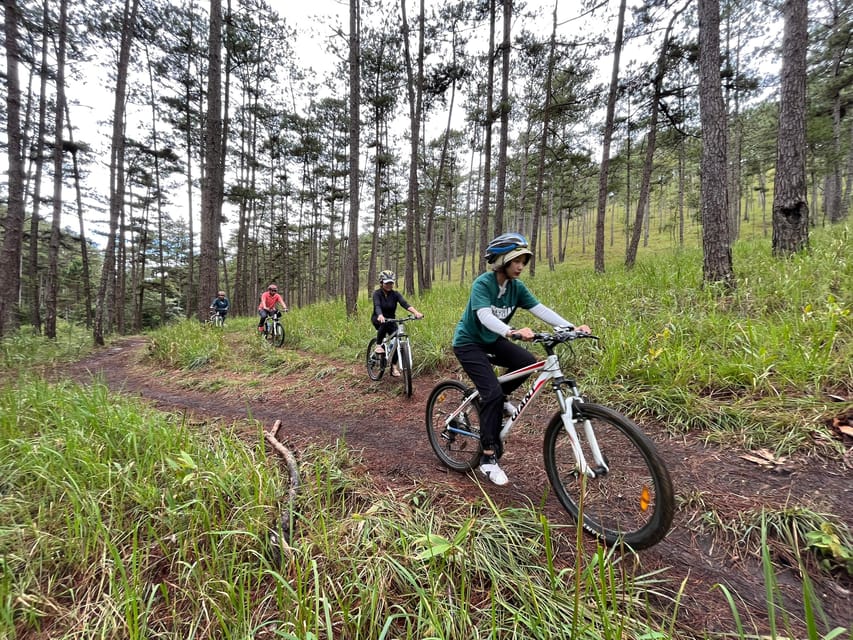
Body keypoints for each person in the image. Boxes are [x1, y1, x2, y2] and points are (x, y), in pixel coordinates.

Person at [452, 232, 590, 486]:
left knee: (527, 362)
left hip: (493, 340)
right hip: (469, 343)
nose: (520, 266)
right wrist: (510, 331)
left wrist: (571, 327)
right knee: (492, 393)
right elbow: (483, 315)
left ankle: (493, 399)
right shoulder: (483, 284)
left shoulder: (516, 288)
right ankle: (488, 458)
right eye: (516, 260)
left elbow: (540, 309)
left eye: (524, 261)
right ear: (502, 259)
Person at [371, 270, 424, 376]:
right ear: (381, 283)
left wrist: (416, 313)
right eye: (387, 283)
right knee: (384, 324)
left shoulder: (395, 294)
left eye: (391, 283)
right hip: (378, 318)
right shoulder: (377, 294)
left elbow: (405, 304)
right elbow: (377, 306)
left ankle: (394, 367)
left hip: (392, 320)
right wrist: (380, 315)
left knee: (397, 340)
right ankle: (378, 345)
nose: (389, 285)